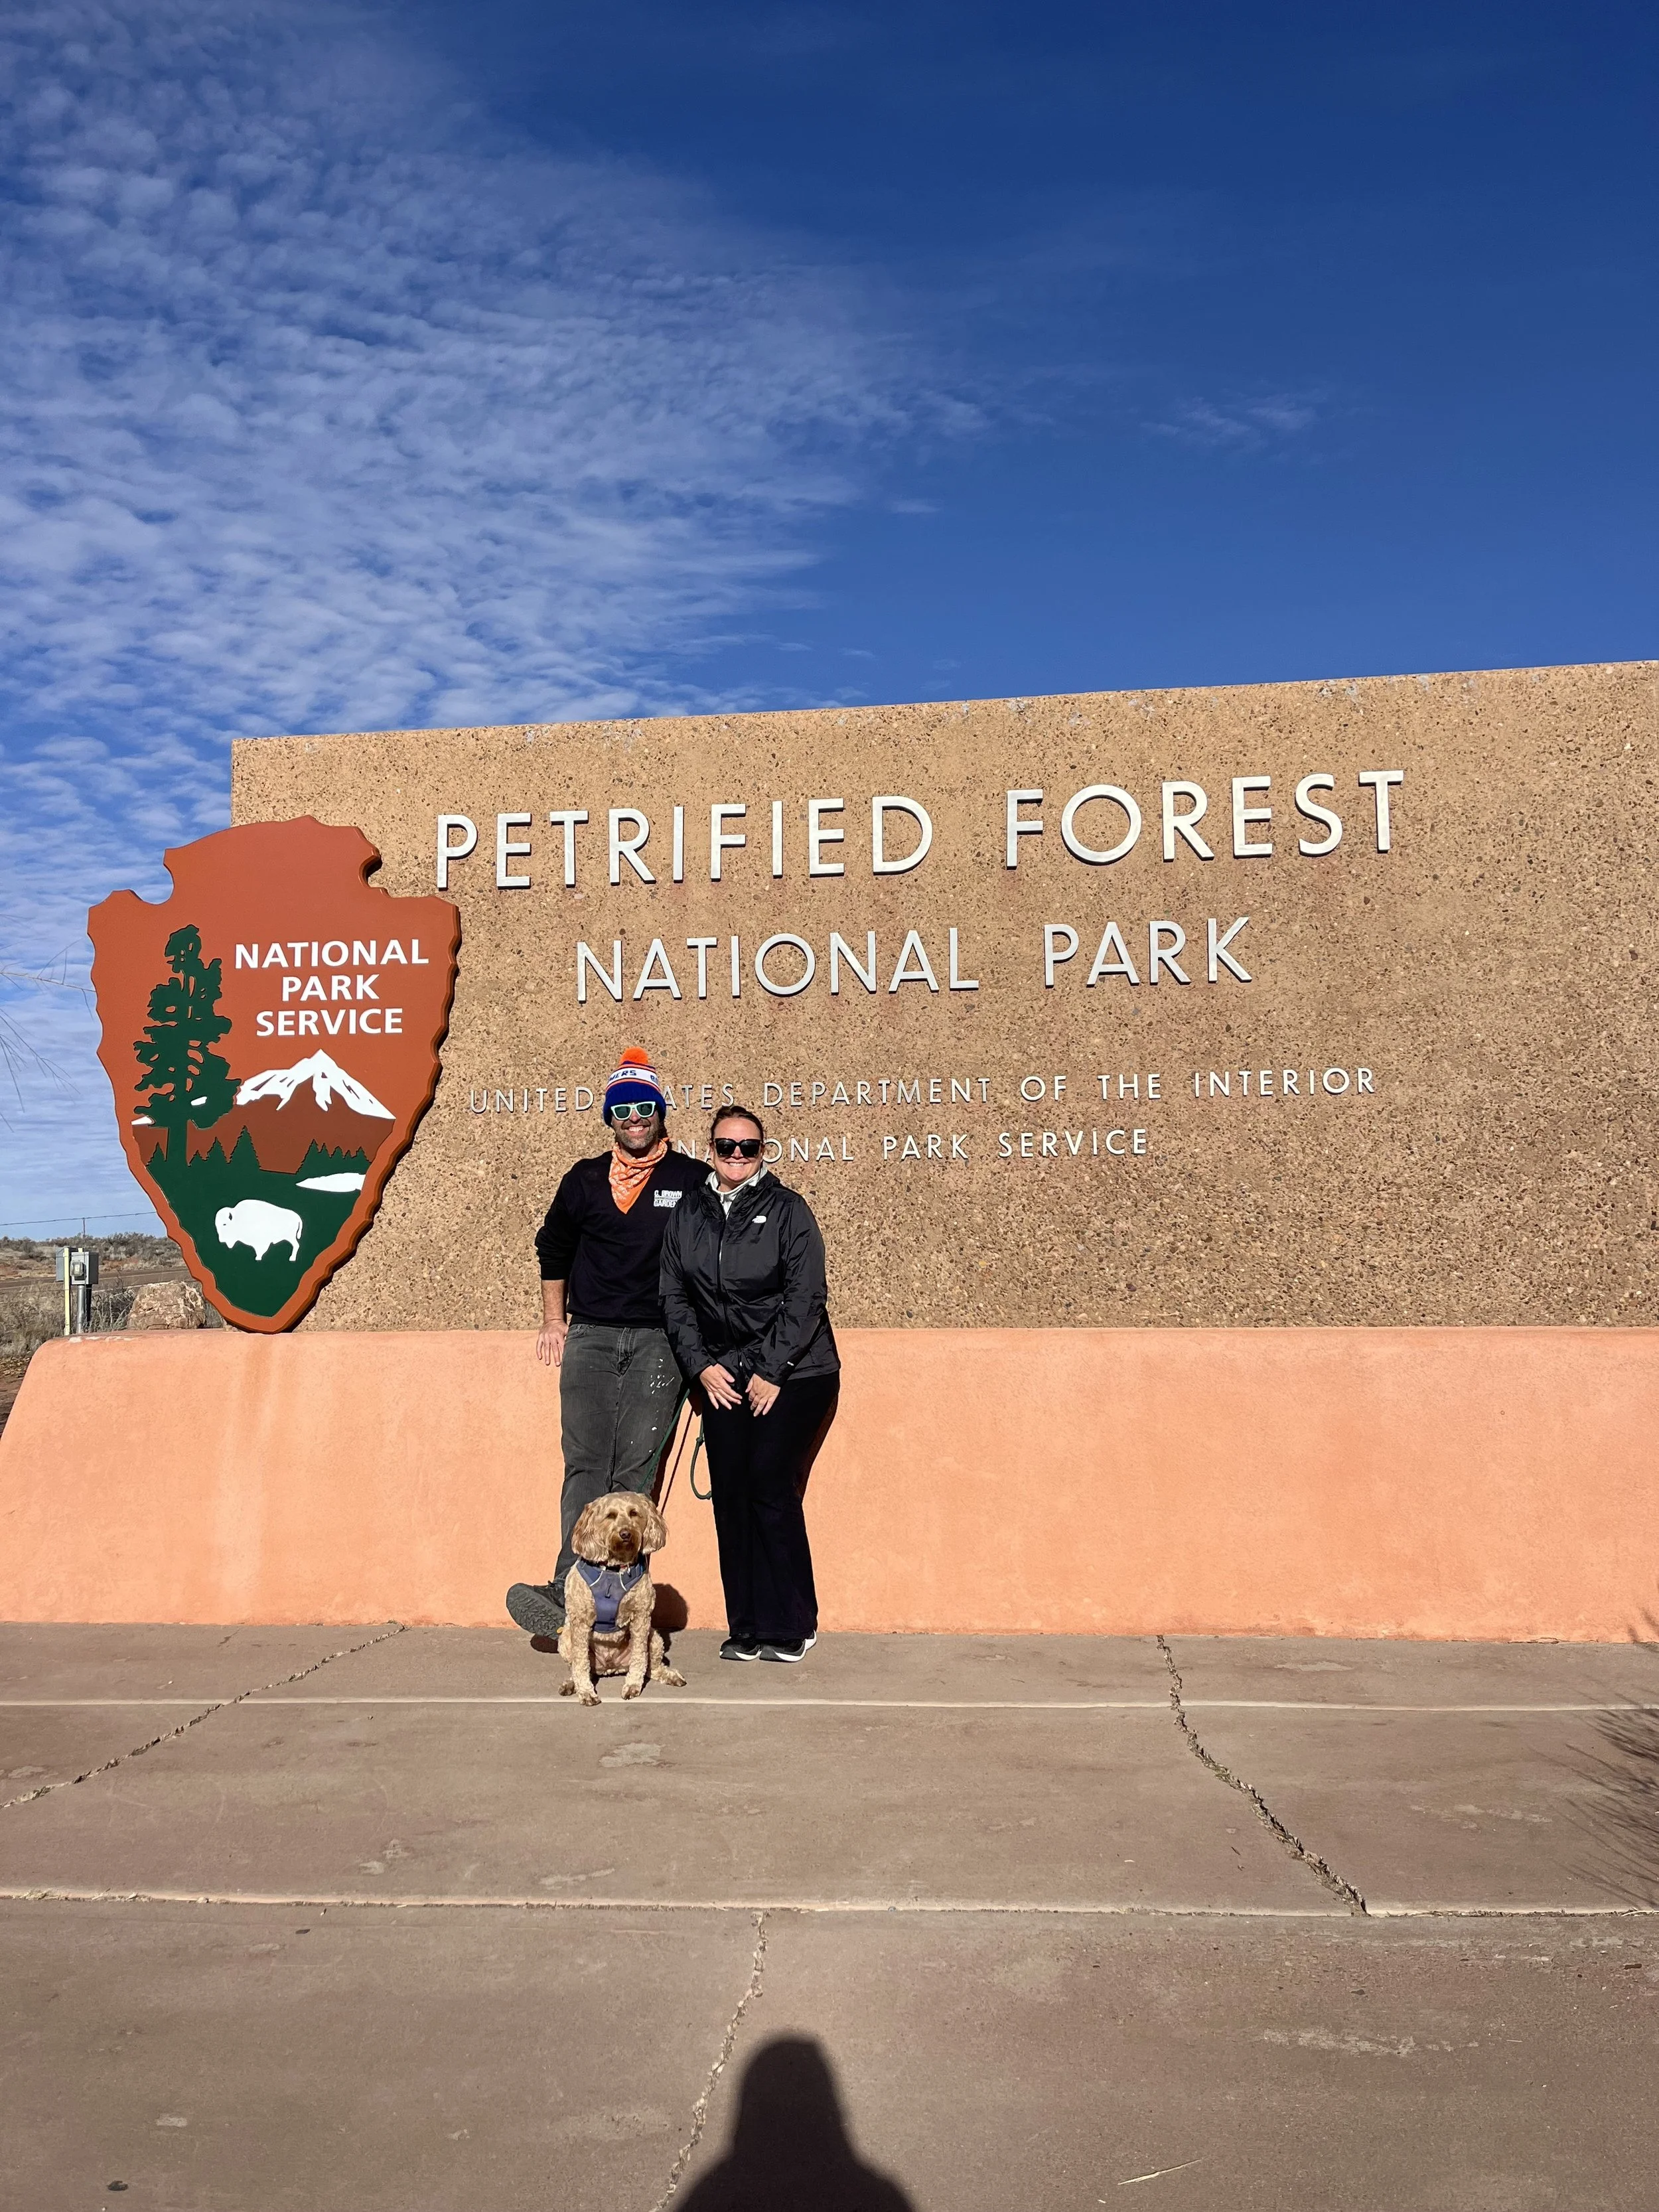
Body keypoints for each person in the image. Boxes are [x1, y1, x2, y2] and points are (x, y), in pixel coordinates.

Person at [505, 1048, 704, 1641]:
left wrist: (701, 1344)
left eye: (645, 1107)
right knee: (586, 1464)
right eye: (623, 1108)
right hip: (589, 1335)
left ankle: (622, 1601)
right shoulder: (584, 1179)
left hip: (659, 1341)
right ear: (610, 1118)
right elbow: (553, 1249)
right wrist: (553, 1320)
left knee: (635, 1469)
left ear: (660, 1115)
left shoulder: (690, 1179)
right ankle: (572, 1589)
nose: (635, 1117)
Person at [659, 1105, 839, 1663]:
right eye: (726, 1145)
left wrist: (769, 1369)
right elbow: (673, 1295)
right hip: (721, 1374)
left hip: (798, 1373)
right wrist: (699, 1364)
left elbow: (805, 1296)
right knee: (732, 1493)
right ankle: (748, 1625)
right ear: (709, 1148)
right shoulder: (689, 1212)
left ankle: (793, 1622)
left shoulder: (788, 1210)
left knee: (766, 1481)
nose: (737, 1155)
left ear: (764, 1152)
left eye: (749, 1147)